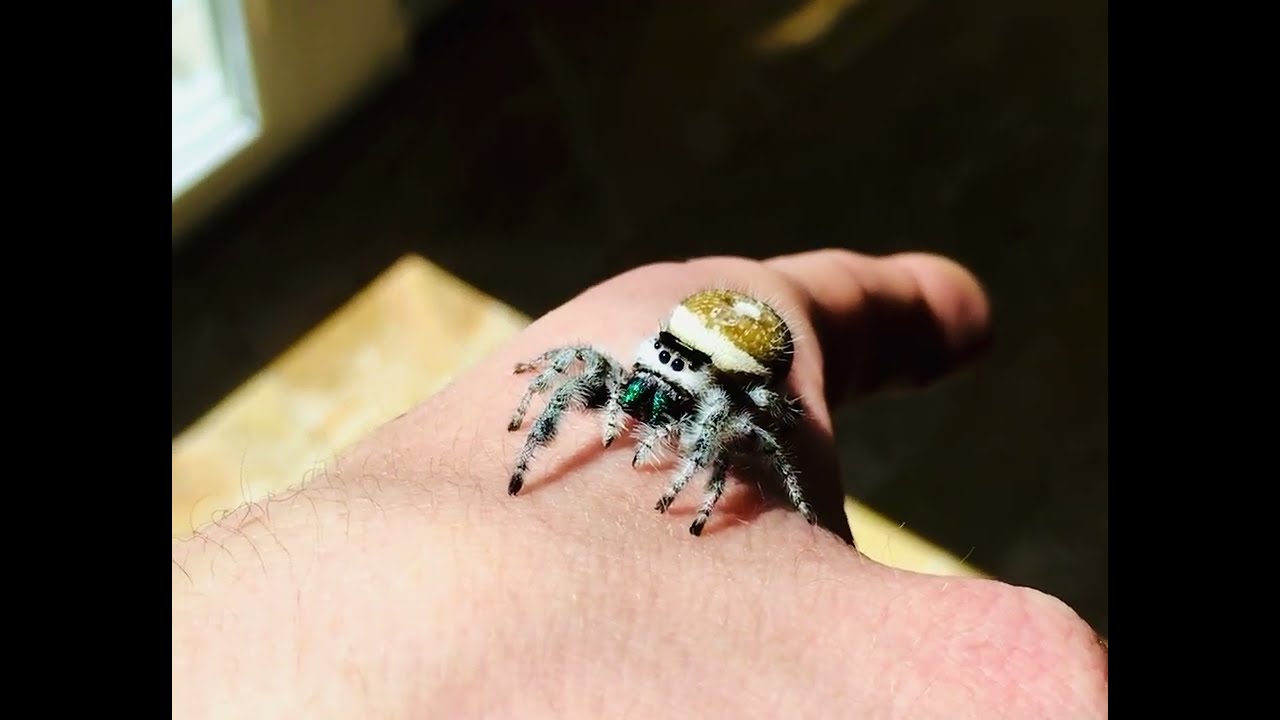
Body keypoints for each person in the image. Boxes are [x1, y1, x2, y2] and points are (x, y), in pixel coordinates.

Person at [172, 249, 1107, 718]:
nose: (632, 423)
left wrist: (702, 500)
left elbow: (753, 431)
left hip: (730, 358)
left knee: (731, 427)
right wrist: (521, 458)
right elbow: (568, 365)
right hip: (684, 342)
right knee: (628, 387)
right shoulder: (620, 373)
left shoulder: (724, 405)